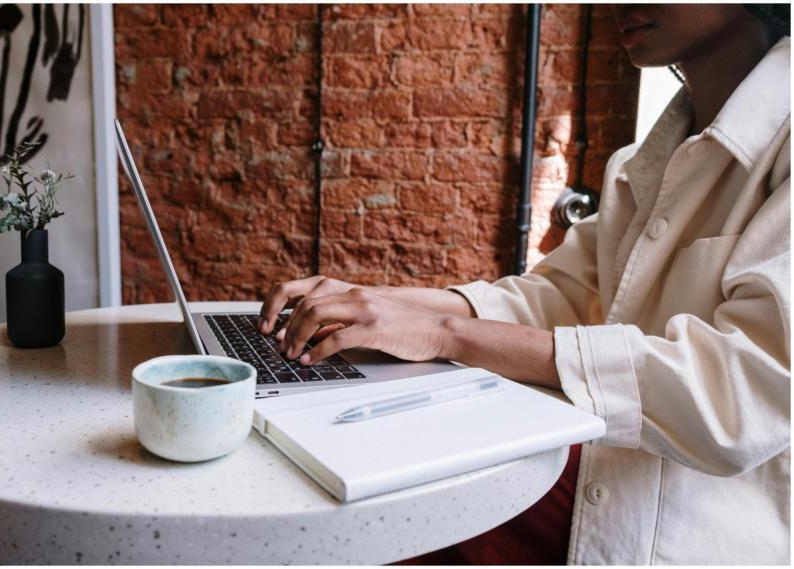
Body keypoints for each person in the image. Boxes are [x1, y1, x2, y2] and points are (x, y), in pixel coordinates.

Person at [256, 5, 790, 565]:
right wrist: (379, 304)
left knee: (371, 521)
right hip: (599, 472)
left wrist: (446, 336)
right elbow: (556, 296)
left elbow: (742, 394)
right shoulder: (645, 161)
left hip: (683, 527)